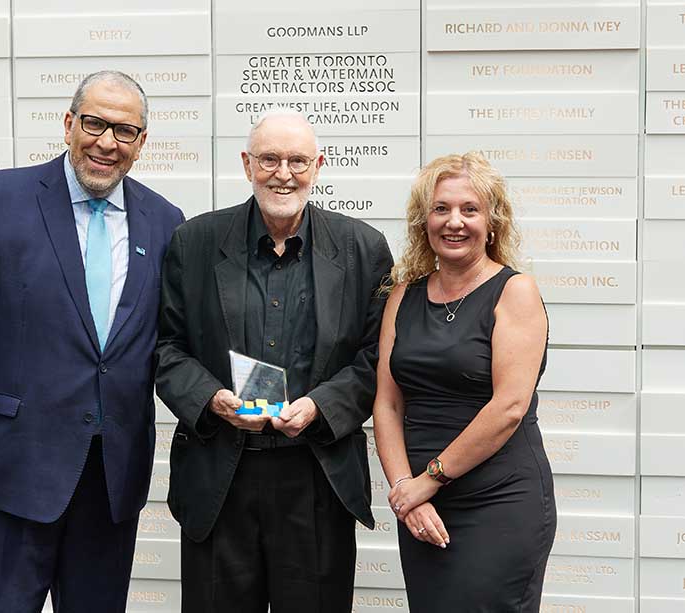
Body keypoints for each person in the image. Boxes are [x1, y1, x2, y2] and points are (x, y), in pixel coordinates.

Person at [0, 70, 184, 612]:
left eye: (125, 131)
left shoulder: (165, 222)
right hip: (7, 478)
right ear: (68, 124)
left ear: (141, 143)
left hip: (110, 485)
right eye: (94, 123)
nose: (107, 142)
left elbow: (173, 344)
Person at [155, 108, 393, 613]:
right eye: (269, 159)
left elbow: (376, 360)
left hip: (316, 475)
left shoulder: (363, 249)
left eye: (297, 160)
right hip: (220, 474)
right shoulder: (193, 243)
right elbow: (166, 347)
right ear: (246, 164)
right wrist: (211, 399)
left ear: (318, 165)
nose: (283, 173)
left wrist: (320, 407)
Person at [372, 152, 556, 612]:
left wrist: (428, 480)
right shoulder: (403, 294)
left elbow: (509, 407)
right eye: (441, 209)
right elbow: (386, 405)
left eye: (469, 210)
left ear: (492, 221)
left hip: (499, 499)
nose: (455, 222)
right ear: (424, 221)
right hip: (421, 506)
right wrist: (405, 493)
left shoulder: (515, 291)